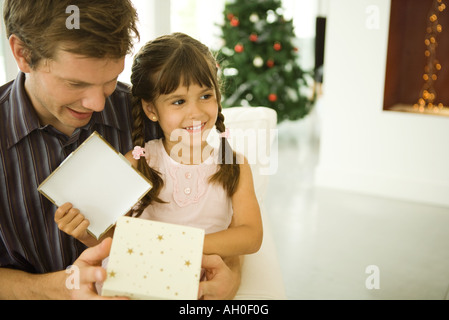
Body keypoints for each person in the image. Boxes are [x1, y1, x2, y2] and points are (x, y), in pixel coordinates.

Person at [0, 0, 241, 300]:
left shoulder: (150, 115)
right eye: (76, 83)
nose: (98, 104)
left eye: (110, 80)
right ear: (22, 54)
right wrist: (53, 290)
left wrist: (231, 274)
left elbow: (215, 208)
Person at [56, 33, 264, 259]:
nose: (196, 112)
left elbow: (251, 236)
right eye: (179, 101)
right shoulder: (137, 161)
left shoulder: (234, 164)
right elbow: (116, 239)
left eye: (206, 96)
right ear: (151, 110)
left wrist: (179, 246)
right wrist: (86, 233)